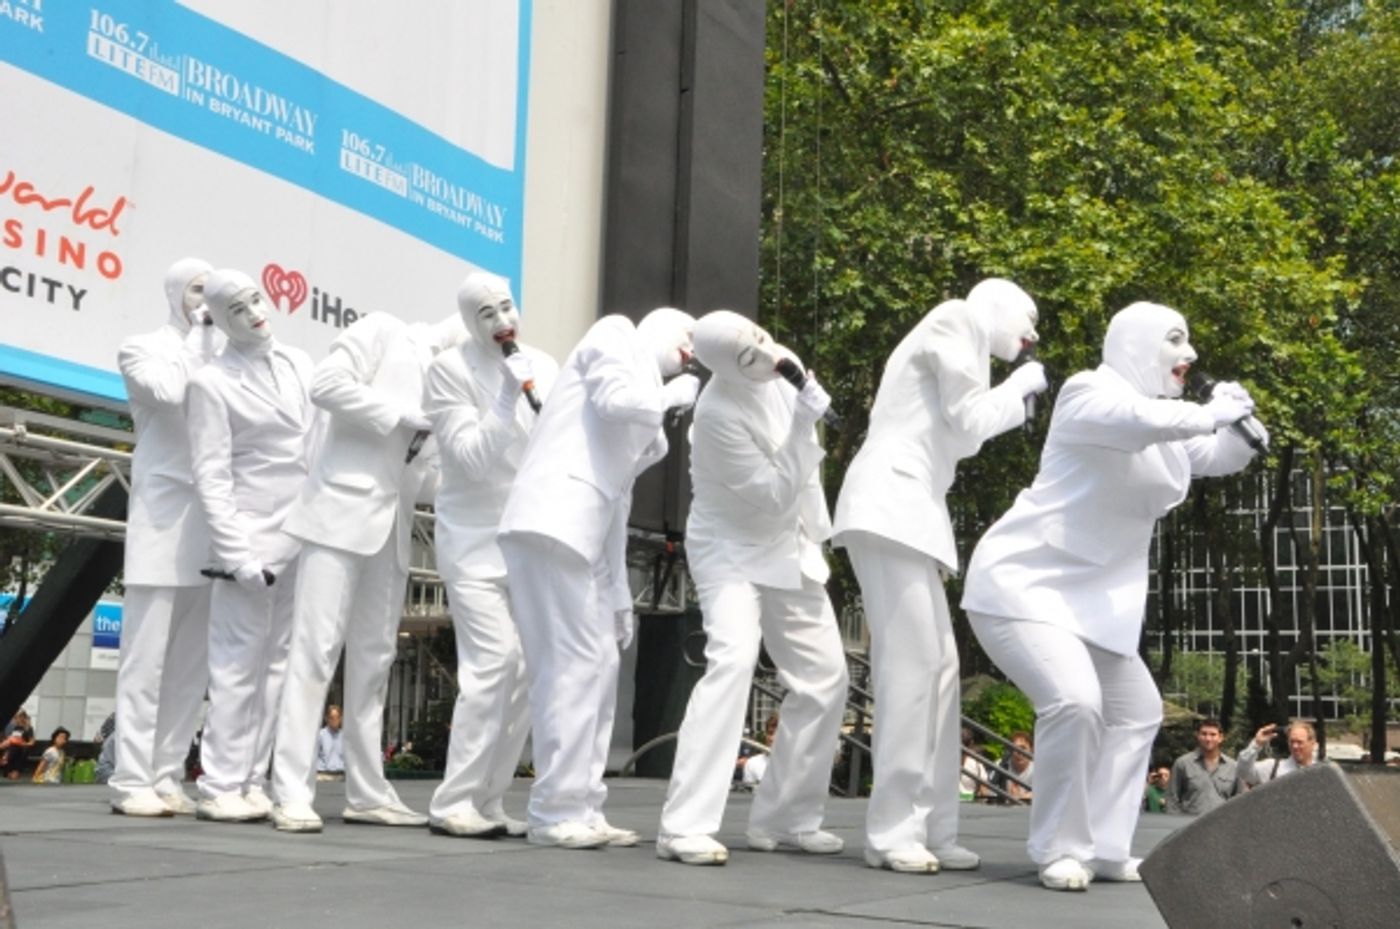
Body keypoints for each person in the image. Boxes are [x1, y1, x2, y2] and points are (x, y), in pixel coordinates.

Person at [961, 300, 1262, 891]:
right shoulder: (1087, 393)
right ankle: (1058, 847)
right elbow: (1139, 420)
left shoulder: (1166, 429)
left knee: (1137, 712)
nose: (1189, 353)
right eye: (1174, 340)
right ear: (1135, 344)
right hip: (1024, 586)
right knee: (1075, 702)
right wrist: (1210, 413)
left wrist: (1243, 429)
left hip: (1095, 606)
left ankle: (1103, 847)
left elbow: (1214, 454)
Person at [832, 278, 1045, 874]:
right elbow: (971, 419)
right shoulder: (956, 318)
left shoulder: (966, 345)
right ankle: (892, 828)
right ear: (996, 303)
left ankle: (932, 825)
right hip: (890, 503)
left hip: (913, 511)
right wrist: (1020, 386)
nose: (1032, 336)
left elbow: (962, 437)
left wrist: (1008, 395)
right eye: (1028, 317)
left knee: (942, 669)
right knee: (912, 665)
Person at [498, 307, 699, 849]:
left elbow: (617, 499)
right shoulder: (615, 334)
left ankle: (583, 803)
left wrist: (618, 595)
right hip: (552, 517)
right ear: (659, 324)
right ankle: (553, 809)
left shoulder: (645, 396)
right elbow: (614, 400)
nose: (691, 351)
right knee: (570, 665)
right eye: (688, 334)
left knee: (601, 663)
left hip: (583, 530)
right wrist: (667, 397)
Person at [656, 311, 849, 867]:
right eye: (748, 356)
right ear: (722, 368)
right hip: (730, 550)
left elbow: (800, 486)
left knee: (826, 678)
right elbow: (771, 492)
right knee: (734, 661)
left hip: (787, 544)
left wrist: (816, 531)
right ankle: (683, 825)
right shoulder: (715, 414)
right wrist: (803, 426)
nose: (765, 356)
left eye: (762, 340)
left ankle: (786, 817)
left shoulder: (782, 367)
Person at [268, 308, 463, 833]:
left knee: (375, 661)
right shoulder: (384, 331)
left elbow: (426, 479)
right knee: (314, 652)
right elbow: (326, 384)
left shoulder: (455, 390)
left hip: (393, 529)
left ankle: (368, 791)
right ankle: (290, 790)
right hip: (339, 513)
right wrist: (399, 417)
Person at [426, 272, 558, 839]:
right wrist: (506, 394)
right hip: (472, 540)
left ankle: (490, 797)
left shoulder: (544, 365)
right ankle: (452, 800)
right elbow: (471, 459)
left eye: (506, 307)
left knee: (526, 673)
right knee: (494, 663)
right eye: (486, 313)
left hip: (526, 539)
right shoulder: (447, 370)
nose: (502, 321)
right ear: (468, 321)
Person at [187, 269, 317, 823]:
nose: (255, 314)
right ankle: (219, 782)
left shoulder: (300, 362)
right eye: (237, 309)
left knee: (279, 665)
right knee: (236, 666)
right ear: (219, 320)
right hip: (251, 538)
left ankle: (252, 777)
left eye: (256, 300)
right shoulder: (210, 382)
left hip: (303, 534)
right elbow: (211, 475)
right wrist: (236, 554)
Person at [110, 257, 223, 818]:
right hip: (161, 512)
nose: (203, 300)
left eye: (210, 292)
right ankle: (130, 777)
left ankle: (167, 772)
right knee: (145, 656)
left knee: (191, 662)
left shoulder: (223, 354)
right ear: (175, 291)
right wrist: (201, 340)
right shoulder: (141, 348)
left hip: (210, 516)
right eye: (196, 290)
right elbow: (171, 392)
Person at [1166, 718, 1242, 814]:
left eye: (1213, 734)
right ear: (1198, 736)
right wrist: (1176, 821)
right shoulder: (1182, 764)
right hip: (1190, 821)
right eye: (1204, 734)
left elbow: (1241, 800)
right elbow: (1172, 798)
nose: (1208, 739)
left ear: (1221, 738)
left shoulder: (1233, 767)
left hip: (1222, 821)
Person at [1237, 721, 1322, 785]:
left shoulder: (1321, 774)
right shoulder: (1273, 768)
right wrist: (1256, 744)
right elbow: (1243, 772)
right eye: (1292, 742)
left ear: (1312, 743)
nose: (1295, 746)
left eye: (1300, 742)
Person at [993, 731, 1035, 803]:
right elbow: (988, 790)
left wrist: (1021, 798)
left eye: (1023, 748)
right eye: (1015, 748)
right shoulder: (1001, 765)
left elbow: (1044, 791)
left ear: (1031, 750)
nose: (1019, 752)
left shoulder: (1037, 769)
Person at [959, 727, 992, 803]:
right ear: (971, 743)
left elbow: (984, 792)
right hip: (970, 803)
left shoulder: (976, 765)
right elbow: (984, 793)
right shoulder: (977, 765)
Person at [2, 710, 36, 779]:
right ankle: (6, 762)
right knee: (12, 747)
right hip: (12, 748)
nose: (17, 719)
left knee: (16, 748)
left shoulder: (28, 728)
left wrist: (23, 743)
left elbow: (32, 742)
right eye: (16, 717)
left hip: (22, 749)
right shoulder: (14, 728)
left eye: (19, 717)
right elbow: (10, 739)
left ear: (23, 718)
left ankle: (8, 762)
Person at [316, 705, 345, 779]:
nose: (334, 720)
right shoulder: (320, 735)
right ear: (327, 718)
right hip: (323, 774)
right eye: (332, 718)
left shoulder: (345, 736)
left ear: (340, 718)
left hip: (341, 774)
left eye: (337, 717)